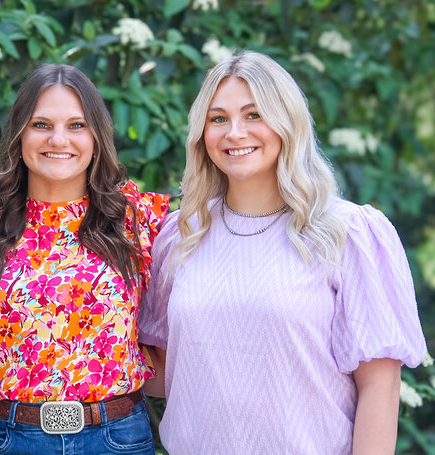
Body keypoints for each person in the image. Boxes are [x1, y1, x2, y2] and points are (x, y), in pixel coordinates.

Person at [139, 50, 428, 454]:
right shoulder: (181, 234)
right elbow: (164, 372)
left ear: (287, 122)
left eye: (254, 115)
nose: (235, 132)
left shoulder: (346, 233)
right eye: (218, 118)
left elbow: (381, 386)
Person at [0, 64, 169, 454]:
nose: (59, 139)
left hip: (116, 438)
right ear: (19, 133)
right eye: (41, 124)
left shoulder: (136, 221)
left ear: (97, 136)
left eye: (77, 125)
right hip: (4, 439)